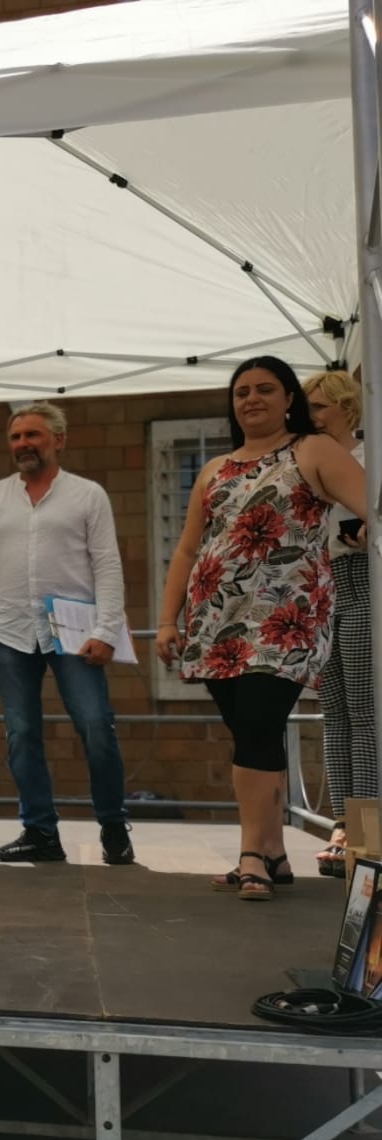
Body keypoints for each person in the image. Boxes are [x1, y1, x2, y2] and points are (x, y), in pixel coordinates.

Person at [157, 357, 367, 899]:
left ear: (289, 398)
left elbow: (373, 505)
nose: (251, 399)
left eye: (265, 389)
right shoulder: (215, 468)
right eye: (242, 391)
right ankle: (273, 851)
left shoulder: (313, 450)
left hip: (285, 619)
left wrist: (360, 537)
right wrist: (167, 620)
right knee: (255, 732)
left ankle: (251, 854)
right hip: (216, 620)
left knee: (256, 723)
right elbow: (188, 549)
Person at [0, 402, 134, 866]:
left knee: (96, 725)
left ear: (59, 439)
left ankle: (114, 826)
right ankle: (40, 832)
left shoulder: (88, 495)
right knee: (21, 733)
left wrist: (107, 629)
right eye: (16, 437)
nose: (23, 444)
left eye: (32, 435)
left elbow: (108, 565)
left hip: (75, 632)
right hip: (11, 630)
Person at [304, 369, 371, 876]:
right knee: (336, 713)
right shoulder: (306, 462)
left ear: (347, 407)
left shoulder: (370, 458)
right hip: (323, 588)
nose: (311, 416)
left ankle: (366, 836)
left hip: (365, 583)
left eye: (320, 407)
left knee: (365, 712)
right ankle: (343, 826)